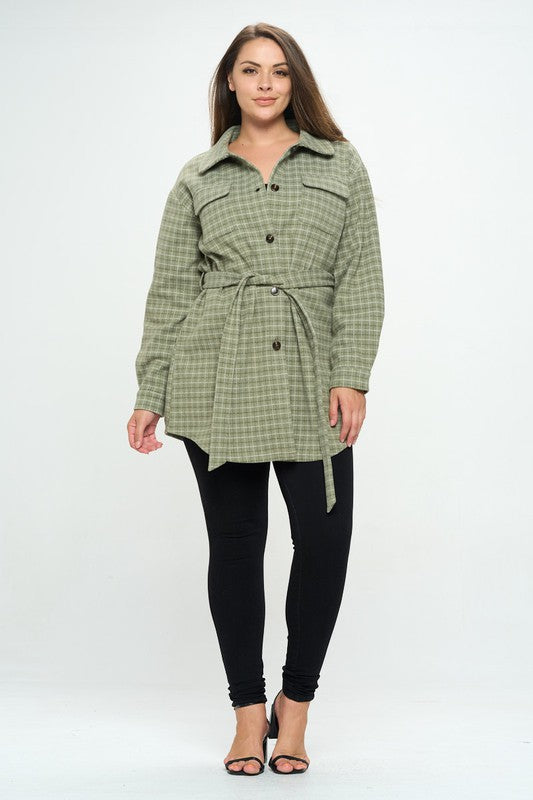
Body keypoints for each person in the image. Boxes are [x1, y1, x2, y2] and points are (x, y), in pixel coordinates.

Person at [127, 22, 385, 776]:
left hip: (310, 373)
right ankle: (247, 714)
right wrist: (150, 390)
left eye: (278, 70)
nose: (265, 83)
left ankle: (293, 708)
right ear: (230, 83)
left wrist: (351, 374)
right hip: (217, 375)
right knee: (236, 548)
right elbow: (171, 291)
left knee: (324, 545)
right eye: (250, 69)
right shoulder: (199, 177)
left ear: (295, 81)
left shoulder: (339, 164)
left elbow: (360, 276)